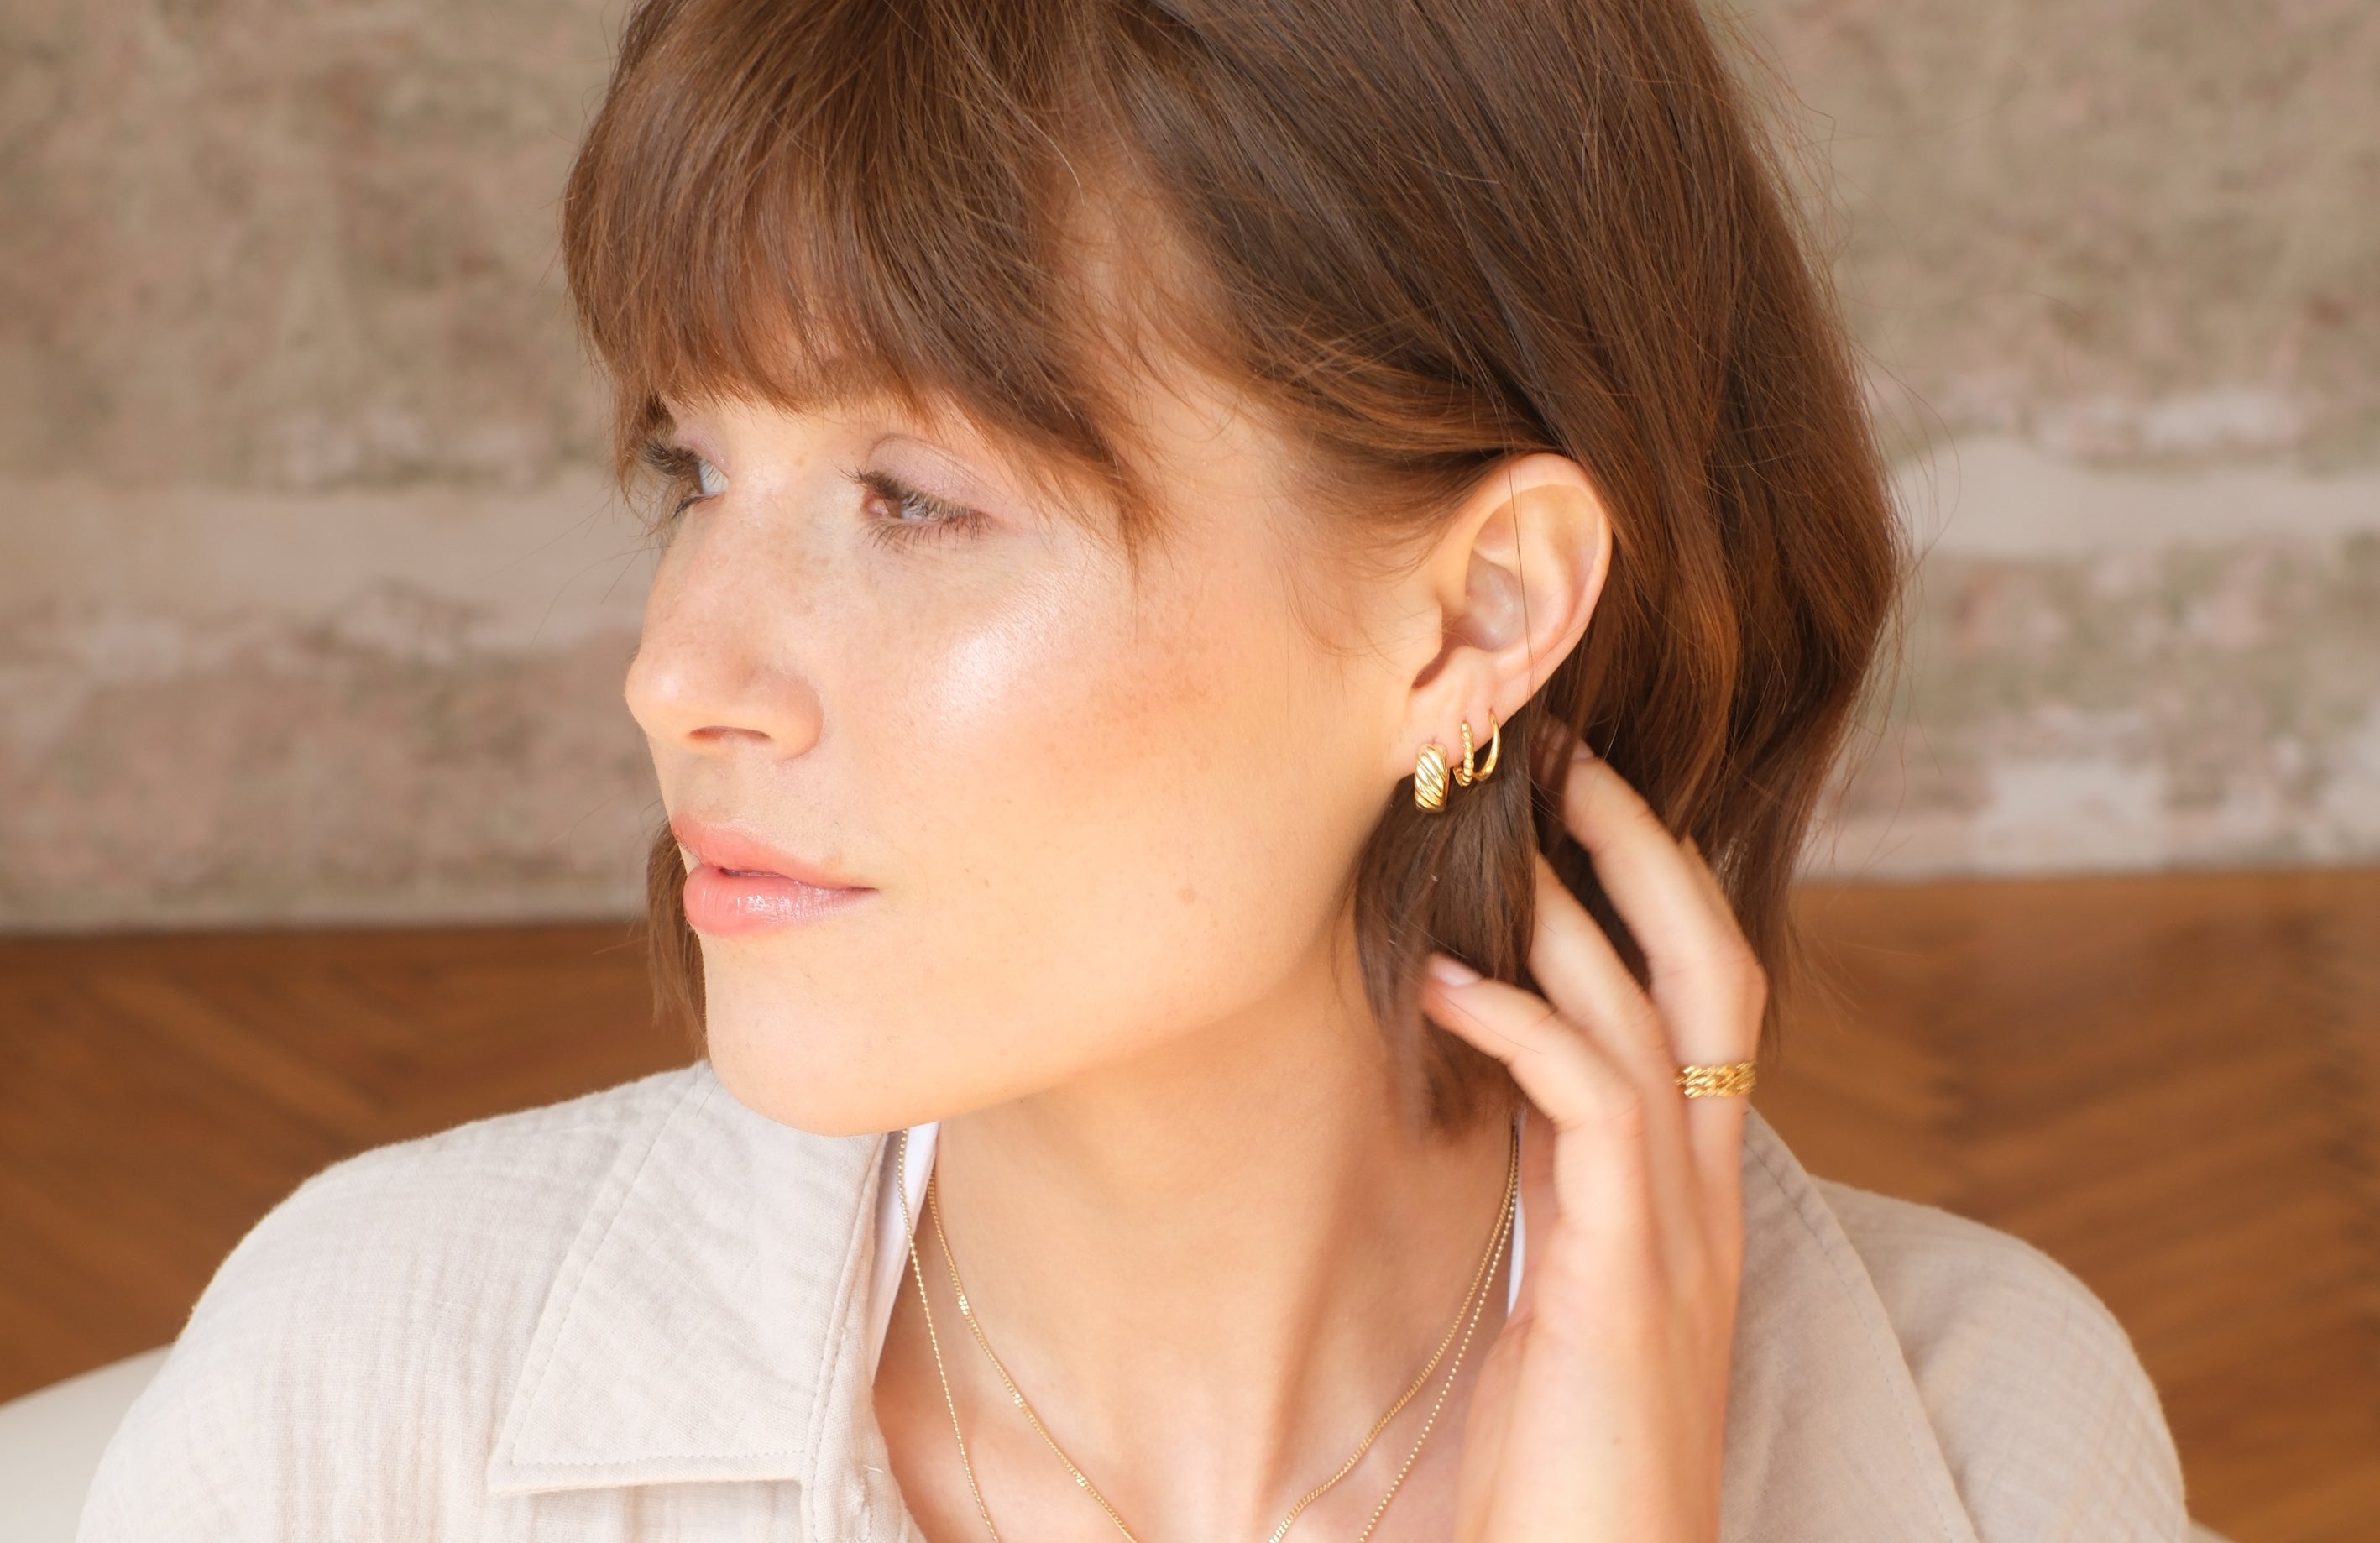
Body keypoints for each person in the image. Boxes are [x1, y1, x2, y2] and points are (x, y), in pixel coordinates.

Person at [81, 0, 2189, 1539]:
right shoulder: (376, 1398)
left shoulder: (1964, 1445)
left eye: (914, 501)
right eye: (691, 468)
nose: (676, 673)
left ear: (1471, 618)